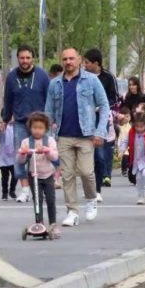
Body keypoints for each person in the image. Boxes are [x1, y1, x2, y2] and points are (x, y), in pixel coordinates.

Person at [44, 48, 110, 227]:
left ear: (79, 60)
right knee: (67, 175)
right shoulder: (55, 84)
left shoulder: (91, 80)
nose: (68, 62)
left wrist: (99, 132)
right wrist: (49, 135)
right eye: (65, 59)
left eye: (72, 58)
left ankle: (91, 199)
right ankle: (72, 211)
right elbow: (48, 112)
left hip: (86, 135)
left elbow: (104, 106)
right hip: (63, 136)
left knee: (87, 172)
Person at [0, 45, 49, 203]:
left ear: (32, 58)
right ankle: (25, 189)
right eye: (22, 58)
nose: (25, 61)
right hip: (20, 123)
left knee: (43, 154)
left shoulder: (42, 76)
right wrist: (6, 120)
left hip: (40, 123)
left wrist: (51, 121)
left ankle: (42, 187)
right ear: (18, 59)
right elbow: (8, 100)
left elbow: (49, 98)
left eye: (28, 57)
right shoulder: (11, 77)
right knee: (20, 156)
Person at [16, 112, 60, 237]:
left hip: (48, 174)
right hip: (33, 175)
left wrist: (47, 151)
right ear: (30, 128)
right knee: (37, 200)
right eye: (34, 128)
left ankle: (53, 224)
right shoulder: (26, 142)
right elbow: (20, 161)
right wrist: (22, 153)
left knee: (50, 200)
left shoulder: (49, 140)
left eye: (40, 128)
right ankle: (39, 223)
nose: (37, 131)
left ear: (45, 128)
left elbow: (55, 156)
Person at [82, 48, 119, 193]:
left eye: (87, 63)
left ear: (96, 63)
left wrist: (101, 106)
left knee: (100, 153)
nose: (84, 65)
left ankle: (98, 187)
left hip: (101, 118)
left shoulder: (108, 77)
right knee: (86, 153)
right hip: (85, 118)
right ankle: (89, 184)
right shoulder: (82, 77)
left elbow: (115, 98)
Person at [119, 112, 145, 204]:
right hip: (137, 161)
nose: (138, 128)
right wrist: (122, 149)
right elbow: (125, 141)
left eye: (141, 126)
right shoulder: (132, 133)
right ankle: (141, 196)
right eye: (137, 126)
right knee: (138, 179)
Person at [0, 121, 18, 201]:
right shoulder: (2, 126)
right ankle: (4, 193)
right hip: (3, 156)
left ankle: (12, 190)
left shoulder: (16, 127)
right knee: (5, 176)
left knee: (15, 174)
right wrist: (0, 130)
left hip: (13, 155)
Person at [117, 106, 132, 175]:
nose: (127, 118)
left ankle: (128, 167)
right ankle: (124, 169)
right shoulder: (120, 125)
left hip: (129, 143)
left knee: (129, 156)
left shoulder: (130, 125)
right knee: (125, 156)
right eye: (125, 116)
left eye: (128, 116)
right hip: (121, 143)